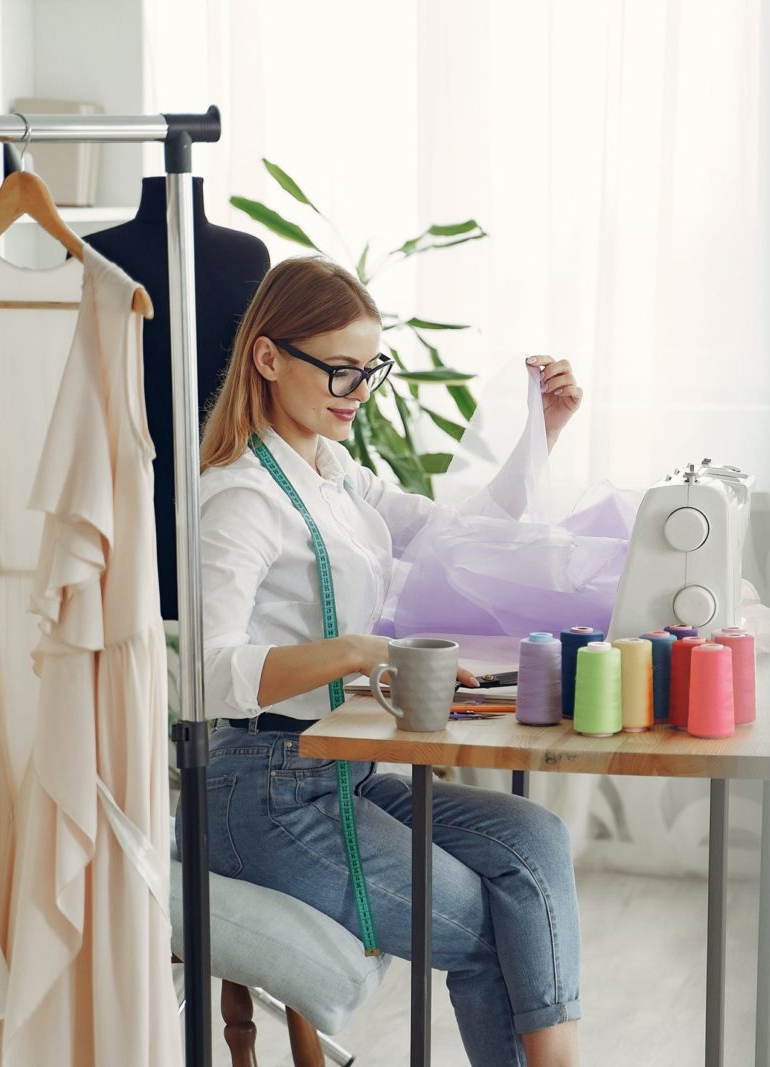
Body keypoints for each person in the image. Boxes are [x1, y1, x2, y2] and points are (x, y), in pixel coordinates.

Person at [193, 256, 586, 1067]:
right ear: (268, 358)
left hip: (344, 769)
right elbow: (205, 671)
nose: (357, 390)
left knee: (536, 839)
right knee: (488, 929)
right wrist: (361, 652)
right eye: (338, 369)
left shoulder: (334, 474)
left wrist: (540, 432)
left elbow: (455, 538)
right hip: (261, 791)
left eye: (368, 368)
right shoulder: (240, 497)